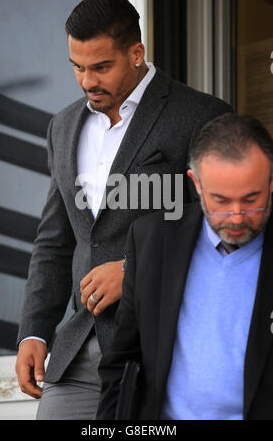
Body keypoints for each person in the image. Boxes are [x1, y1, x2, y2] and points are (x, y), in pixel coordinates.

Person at [15, 0, 232, 420]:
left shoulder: (202, 116)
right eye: (77, 67)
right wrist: (34, 333)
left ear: (136, 53)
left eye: (101, 67)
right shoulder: (62, 127)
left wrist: (135, 270)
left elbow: (228, 227)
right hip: (77, 353)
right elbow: (55, 243)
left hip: (164, 349)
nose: (86, 81)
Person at [97, 113, 273, 420]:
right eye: (220, 200)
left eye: (250, 199)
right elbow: (123, 360)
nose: (236, 216)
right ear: (196, 184)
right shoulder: (151, 240)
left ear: (272, 181)